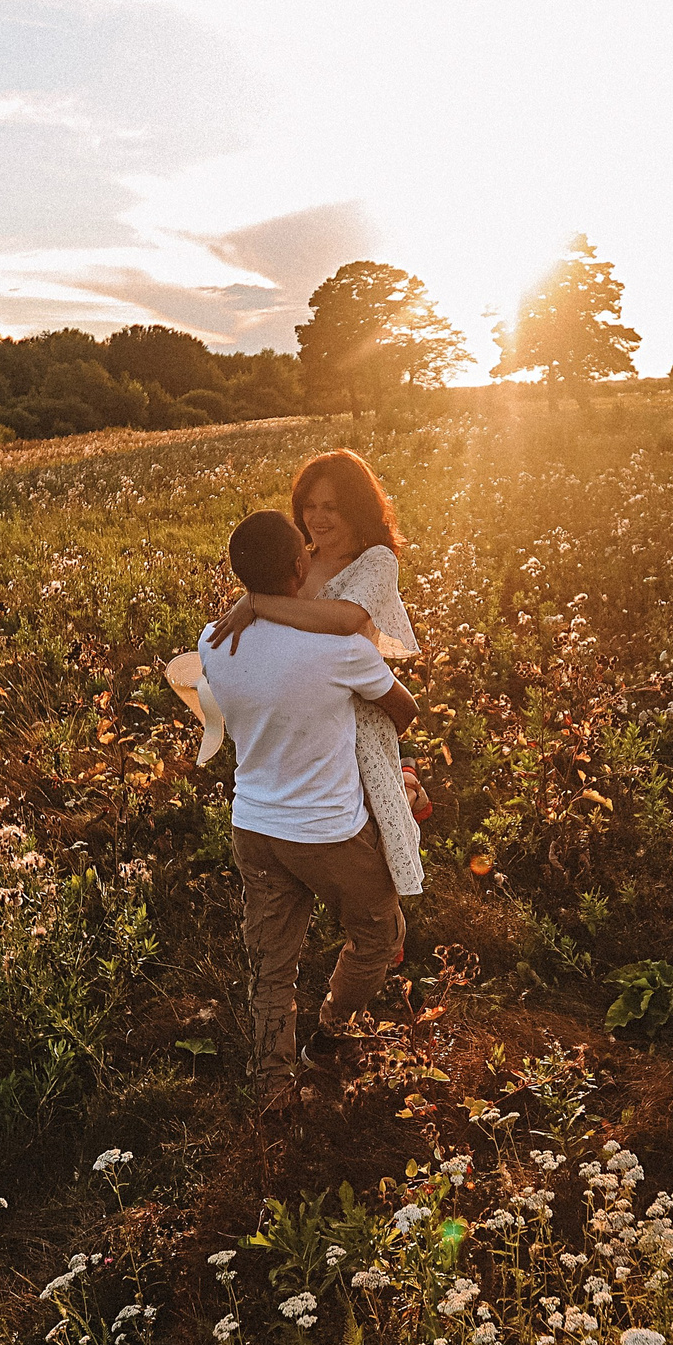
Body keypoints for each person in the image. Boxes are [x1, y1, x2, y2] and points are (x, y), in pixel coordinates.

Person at [188, 509, 419, 1105]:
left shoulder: (212, 642)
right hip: (330, 833)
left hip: (254, 826)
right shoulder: (338, 650)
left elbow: (222, 704)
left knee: (272, 961)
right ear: (300, 566)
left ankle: (272, 1086)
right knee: (378, 931)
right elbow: (405, 709)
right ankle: (335, 1026)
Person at [208, 450, 428, 898]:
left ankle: (385, 932)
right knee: (323, 830)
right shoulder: (299, 560)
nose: (319, 518)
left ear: (358, 508)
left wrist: (256, 603)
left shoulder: (376, 561)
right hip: (307, 715)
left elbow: (346, 618)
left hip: (357, 713)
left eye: (332, 507)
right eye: (310, 506)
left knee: (376, 829)